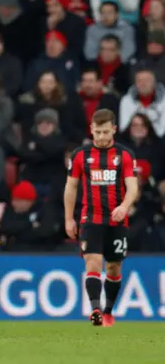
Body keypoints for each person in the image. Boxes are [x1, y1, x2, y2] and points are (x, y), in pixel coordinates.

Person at [64, 108, 138, 327]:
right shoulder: (80, 155)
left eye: (106, 132)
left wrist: (125, 206)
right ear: (91, 130)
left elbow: (132, 186)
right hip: (91, 218)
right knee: (93, 261)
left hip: (117, 220)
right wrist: (69, 218)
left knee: (114, 267)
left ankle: (108, 311)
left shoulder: (124, 155)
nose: (103, 137)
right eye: (98, 132)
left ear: (114, 129)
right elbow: (71, 187)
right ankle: (95, 308)